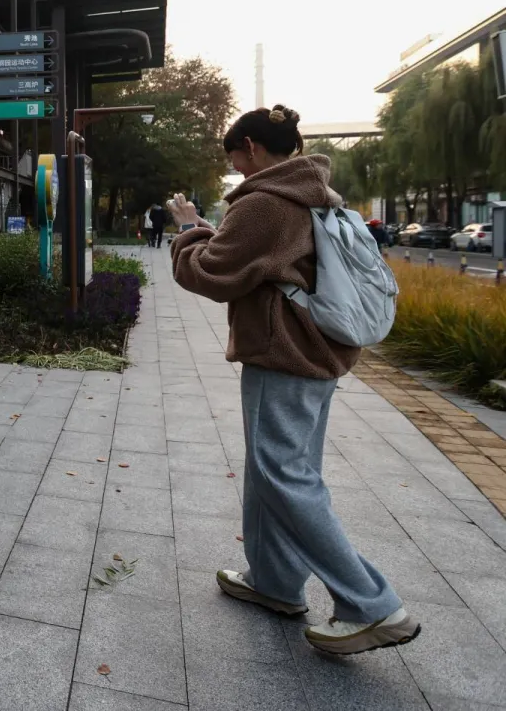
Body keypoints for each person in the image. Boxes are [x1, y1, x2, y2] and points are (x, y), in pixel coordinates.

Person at [168, 104, 420, 655]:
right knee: (277, 469)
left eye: (234, 156)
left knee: (283, 474)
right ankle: (275, 582)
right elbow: (256, 263)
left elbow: (212, 272)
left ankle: (371, 605)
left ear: (252, 148)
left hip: (285, 354)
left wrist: (188, 229)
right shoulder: (311, 193)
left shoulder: (264, 201)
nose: (234, 167)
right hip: (315, 351)